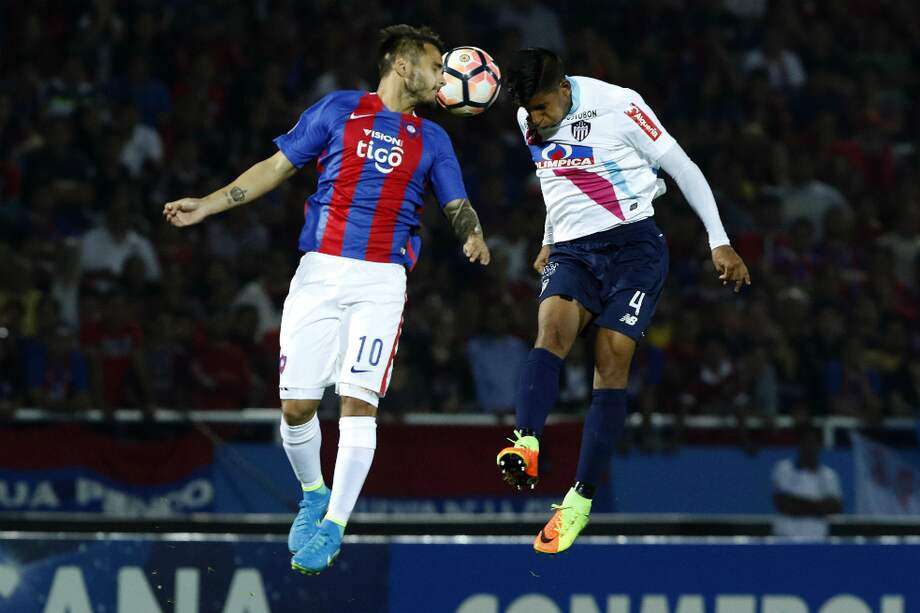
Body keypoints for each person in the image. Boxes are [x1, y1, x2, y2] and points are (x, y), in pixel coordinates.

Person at [163, 24, 490, 574]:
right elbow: (275, 167)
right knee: (296, 407)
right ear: (402, 66)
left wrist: (471, 232)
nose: (443, 78)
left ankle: (335, 526)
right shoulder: (339, 109)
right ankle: (314, 493)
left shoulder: (433, 139)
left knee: (359, 402)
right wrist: (210, 204)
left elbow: (457, 202)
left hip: (381, 281)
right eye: (436, 66)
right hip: (319, 272)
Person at [496, 48, 751, 554]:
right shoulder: (528, 112)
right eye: (533, 112)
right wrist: (550, 236)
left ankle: (579, 499)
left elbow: (683, 167)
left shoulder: (619, 106)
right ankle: (524, 442)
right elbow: (556, 177)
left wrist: (717, 239)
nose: (539, 120)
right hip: (573, 251)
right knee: (550, 331)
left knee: (610, 358)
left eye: (546, 108)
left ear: (565, 89)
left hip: (633, 247)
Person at [772, 425, 843, 539]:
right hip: (786, 537)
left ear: (820, 446)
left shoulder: (829, 475)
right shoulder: (784, 468)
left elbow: (835, 508)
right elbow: (784, 504)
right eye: (806, 442)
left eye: (813, 443)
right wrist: (819, 507)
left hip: (818, 538)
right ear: (799, 445)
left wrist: (797, 504)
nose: (809, 447)